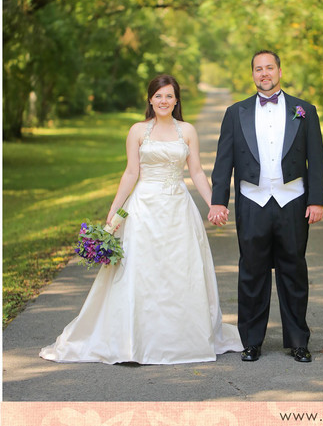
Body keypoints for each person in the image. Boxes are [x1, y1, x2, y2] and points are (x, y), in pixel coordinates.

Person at [40, 74, 243, 364]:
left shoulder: (187, 131)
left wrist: (215, 204)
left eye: (169, 96)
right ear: (150, 99)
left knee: (179, 271)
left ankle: (180, 338)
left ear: (176, 100)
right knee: (140, 272)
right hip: (143, 210)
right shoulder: (137, 131)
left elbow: (196, 172)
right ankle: (132, 340)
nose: (163, 101)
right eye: (158, 96)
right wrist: (114, 212)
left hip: (178, 210)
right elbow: (131, 173)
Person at [208, 50, 323, 363]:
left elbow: (316, 159)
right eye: (258, 69)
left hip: (292, 200)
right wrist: (218, 201)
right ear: (252, 75)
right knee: (251, 272)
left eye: (269, 68)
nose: (264, 74)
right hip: (252, 200)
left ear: (280, 71)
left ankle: (298, 341)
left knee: (294, 270)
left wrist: (316, 200)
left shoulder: (305, 110)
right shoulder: (236, 112)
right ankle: (251, 342)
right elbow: (223, 162)